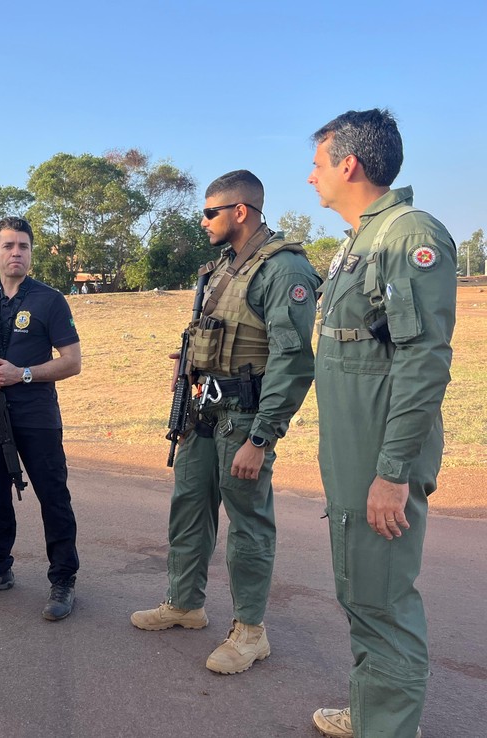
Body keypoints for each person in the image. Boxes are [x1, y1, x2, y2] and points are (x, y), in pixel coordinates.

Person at [130, 171, 321, 674]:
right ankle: (185, 604)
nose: (203, 220)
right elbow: (218, 330)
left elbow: (293, 360)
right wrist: (191, 356)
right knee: (189, 508)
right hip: (203, 410)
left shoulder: (283, 270)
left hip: (245, 418)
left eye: (211, 211)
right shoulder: (222, 267)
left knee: (248, 525)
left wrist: (262, 437)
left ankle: (251, 631)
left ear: (241, 211)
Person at [307, 109, 455, 738]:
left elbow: (423, 362)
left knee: (382, 599)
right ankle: (377, 712)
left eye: (317, 164)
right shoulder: (362, 238)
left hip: (379, 459)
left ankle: (389, 727)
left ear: (349, 164)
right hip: (353, 454)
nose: (310, 177)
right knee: (360, 590)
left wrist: (392, 473)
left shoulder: (406, 234)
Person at [0, 216, 82, 621]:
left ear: (30, 253)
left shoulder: (49, 300)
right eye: (8, 246)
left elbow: (72, 362)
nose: (16, 253)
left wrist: (21, 374)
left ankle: (63, 580)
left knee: (53, 496)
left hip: (37, 415)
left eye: (23, 246)